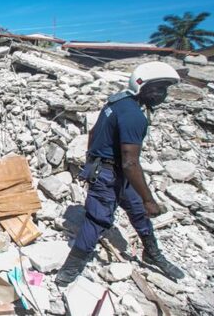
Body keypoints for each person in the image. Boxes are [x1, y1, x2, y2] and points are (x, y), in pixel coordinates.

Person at [55, 61, 185, 286]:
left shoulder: (117, 102)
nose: (162, 95)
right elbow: (130, 162)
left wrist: (92, 158)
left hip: (116, 172)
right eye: (158, 89)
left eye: (164, 89)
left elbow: (94, 132)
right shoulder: (134, 115)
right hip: (110, 173)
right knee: (97, 219)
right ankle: (70, 268)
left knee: (137, 211)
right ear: (141, 86)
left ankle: (152, 252)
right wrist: (149, 199)